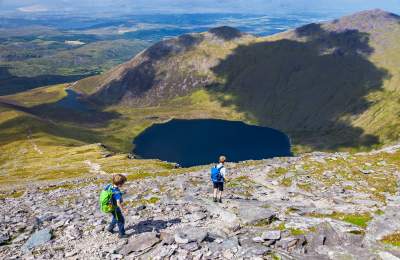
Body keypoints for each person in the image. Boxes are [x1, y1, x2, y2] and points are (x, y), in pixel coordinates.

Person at [105, 174, 128, 238]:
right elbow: (118, 203)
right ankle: (121, 234)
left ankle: (110, 228)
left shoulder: (110, 186)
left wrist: (121, 193)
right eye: (123, 183)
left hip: (110, 205)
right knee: (121, 220)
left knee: (115, 217)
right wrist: (124, 210)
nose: (123, 185)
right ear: (120, 184)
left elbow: (112, 194)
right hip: (115, 207)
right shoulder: (117, 193)